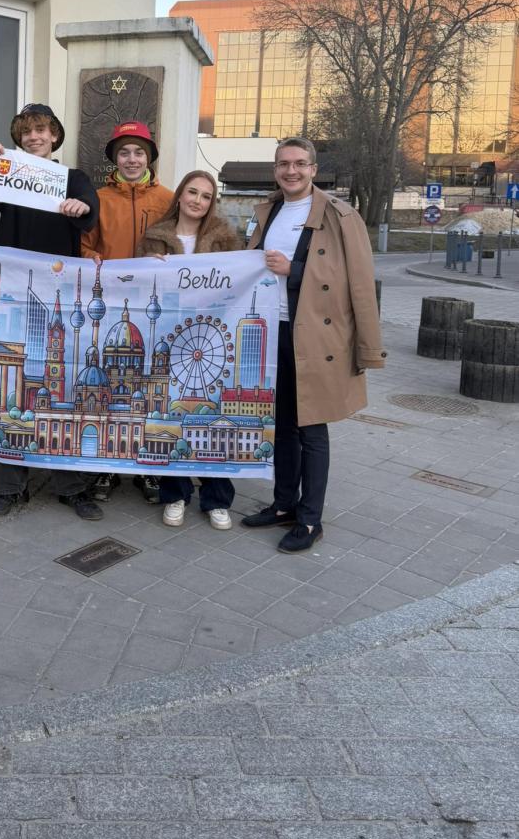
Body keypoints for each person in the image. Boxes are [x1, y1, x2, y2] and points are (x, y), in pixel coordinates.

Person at [243, 136, 386, 552]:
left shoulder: (341, 215)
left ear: (313, 169)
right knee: (282, 425)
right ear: (275, 170)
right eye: (283, 164)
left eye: (299, 163)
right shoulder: (267, 211)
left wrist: (293, 269)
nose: (291, 171)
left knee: (312, 428)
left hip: (316, 335)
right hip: (273, 331)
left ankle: (310, 520)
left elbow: (357, 283)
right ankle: (284, 504)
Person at [0, 102, 103, 520]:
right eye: (27, 131)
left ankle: (71, 486)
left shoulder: (73, 178)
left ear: (54, 136)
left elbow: (89, 210)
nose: (34, 137)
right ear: (19, 138)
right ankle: (10, 486)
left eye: (42, 130)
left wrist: (81, 208)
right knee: (14, 394)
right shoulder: (8, 171)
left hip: (57, 299)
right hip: (13, 293)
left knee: (61, 394)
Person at [137, 170, 239, 530]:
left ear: (212, 203)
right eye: (192, 192)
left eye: (206, 196)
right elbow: (143, 287)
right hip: (171, 338)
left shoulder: (225, 239)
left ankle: (217, 498)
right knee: (171, 417)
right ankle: (175, 494)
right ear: (180, 195)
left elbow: (239, 280)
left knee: (214, 416)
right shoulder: (155, 237)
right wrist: (148, 268)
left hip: (212, 336)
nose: (197, 200)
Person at [82, 121, 174, 503]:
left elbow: (185, 243)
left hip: (155, 300)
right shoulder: (99, 198)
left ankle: (149, 470)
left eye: (139, 152)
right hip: (112, 297)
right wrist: (93, 257)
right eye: (124, 153)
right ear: (115, 159)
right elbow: (83, 244)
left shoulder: (169, 199)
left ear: (148, 158)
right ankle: (105, 466)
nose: (132, 159)